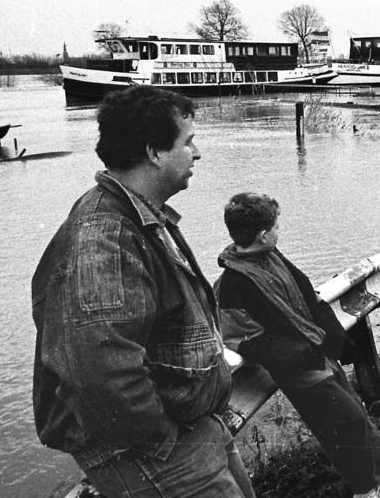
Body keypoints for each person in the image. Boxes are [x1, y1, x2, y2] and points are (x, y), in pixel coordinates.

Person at [31, 86, 254, 497]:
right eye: (188, 142)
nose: (197, 153)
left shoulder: (139, 216)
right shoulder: (105, 237)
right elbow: (99, 373)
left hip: (191, 429)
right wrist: (164, 441)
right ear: (154, 152)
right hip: (159, 455)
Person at [216, 192, 380, 498]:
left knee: (354, 415)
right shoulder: (232, 283)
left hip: (318, 356)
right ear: (264, 235)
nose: (280, 230)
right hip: (300, 368)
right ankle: (367, 490)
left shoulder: (271, 257)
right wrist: (302, 354)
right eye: (277, 226)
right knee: (346, 423)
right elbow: (240, 337)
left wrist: (334, 340)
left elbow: (308, 295)